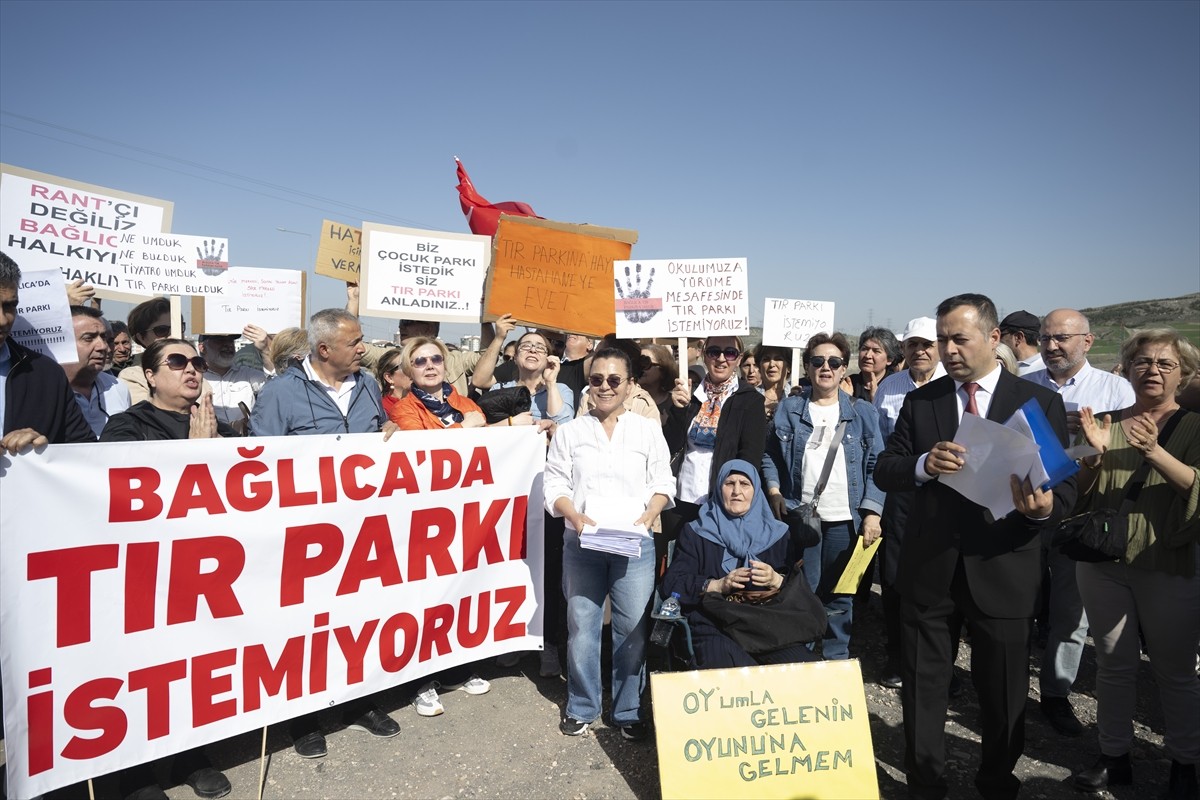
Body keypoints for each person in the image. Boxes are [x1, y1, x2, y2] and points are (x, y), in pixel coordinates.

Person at [874, 293, 1076, 800]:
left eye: (958, 339)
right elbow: (887, 468)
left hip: (1004, 567)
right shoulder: (924, 401)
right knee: (924, 685)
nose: (947, 349)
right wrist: (923, 463)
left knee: (1004, 692)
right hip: (931, 570)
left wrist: (1044, 510)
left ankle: (996, 781)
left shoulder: (1038, 402)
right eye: (942, 339)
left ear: (992, 338)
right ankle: (925, 781)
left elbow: (1063, 488)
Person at [246, 309, 400, 757]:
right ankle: (304, 718)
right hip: (304, 534)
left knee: (355, 619)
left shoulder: (368, 384)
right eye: (354, 342)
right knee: (303, 626)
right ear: (324, 349)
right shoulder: (279, 393)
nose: (363, 349)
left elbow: (377, 434)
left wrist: (387, 430)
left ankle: (358, 700)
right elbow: (261, 464)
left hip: (360, 531)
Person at [99, 338, 234, 800]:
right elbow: (122, 497)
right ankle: (134, 773)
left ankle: (188, 755)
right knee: (143, 672)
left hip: (208, 573)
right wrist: (192, 457)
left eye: (196, 362)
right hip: (147, 573)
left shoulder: (226, 425)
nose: (191, 369)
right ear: (150, 376)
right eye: (176, 362)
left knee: (191, 667)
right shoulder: (126, 427)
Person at [1071, 329, 1199, 798]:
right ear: (1126, 369)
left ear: (1183, 375)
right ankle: (1114, 756)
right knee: (1113, 663)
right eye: (1143, 362)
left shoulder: (1195, 426)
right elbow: (1082, 498)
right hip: (1104, 560)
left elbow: (1196, 488)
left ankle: (1185, 762)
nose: (1153, 371)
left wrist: (1154, 451)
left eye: (1166, 364)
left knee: (1175, 670)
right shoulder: (1105, 422)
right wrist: (1092, 459)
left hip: (1166, 560)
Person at [544, 347, 675, 740]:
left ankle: (628, 709)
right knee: (582, 627)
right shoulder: (570, 432)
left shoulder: (647, 430)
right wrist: (573, 516)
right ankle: (582, 705)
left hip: (633, 544)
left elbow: (662, 482)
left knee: (631, 629)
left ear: (630, 385)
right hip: (582, 543)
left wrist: (649, 517)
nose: (604, 386)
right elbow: (554, 484)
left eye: (614, 380)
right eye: (597, 379)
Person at [1024, 308, 1136, 737]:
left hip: (1085, 513)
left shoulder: (1116, 390)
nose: (1052, 346)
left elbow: (1129, 452)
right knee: (1019, 602)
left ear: (1087, 342)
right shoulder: (1025, 385)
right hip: (1031, 505)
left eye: (1062, 338)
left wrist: (1096, 443)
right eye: (1046, 337)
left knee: (1072, 612)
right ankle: (1011, 686)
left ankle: (1055, 694)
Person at [390, 334, 511, 712]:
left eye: (436, 360)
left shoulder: (464, 403)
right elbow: (421, 452)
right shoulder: (402, 409)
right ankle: (420, 679)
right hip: (422, 516)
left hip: (462, 514)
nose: (429, 366)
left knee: (458, 591)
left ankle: (456, 668)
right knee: (421, 599)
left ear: (445, 365)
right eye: (420, 361)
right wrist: (466, 430)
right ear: (409, 370)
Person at [762, 332, 884, 661]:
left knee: (840, 596)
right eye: (818, 361)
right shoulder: (789, 410)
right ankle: (800, 657)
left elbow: (878, 466)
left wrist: (872, 512)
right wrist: (773, 489)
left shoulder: (863, 414)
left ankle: (835, 660)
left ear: (845, 369)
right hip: (801, 518)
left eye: (834, 362)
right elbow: (769, 455)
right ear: (807, 366)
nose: (825, 368)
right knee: (802, 591)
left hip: (845, 521)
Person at [662, 459, 819, 668]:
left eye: (745, 484)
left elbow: (800, 589)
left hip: (766, 622)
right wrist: (717, 585)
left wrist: (777, 580)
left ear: (756, 491)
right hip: (713, 623)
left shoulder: (779, 534)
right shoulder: (697, 532)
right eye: (729, 484)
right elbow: (672, 584)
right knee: (726, 667)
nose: (737, 491)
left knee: (804, 668)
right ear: (719, 489)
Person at [872, 316, 946, 689]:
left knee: (939, 582)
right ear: (904, 349)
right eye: (913, 345)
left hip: (944, 497)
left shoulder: (953, 387)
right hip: (899, 495)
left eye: (927, 344)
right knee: (895, 579)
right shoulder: (889, 387)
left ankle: (938, 665)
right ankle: (898, 657)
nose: (920, 351)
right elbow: (883, 447)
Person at [0, 253, 95, 453]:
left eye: (9, 306)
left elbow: (85, 454)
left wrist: (45, 453)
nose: (2, 320)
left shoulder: (45, 374)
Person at [64, 306, 131, 437]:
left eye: (104, 338)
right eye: (89, 338)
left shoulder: (118, 387)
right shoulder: (42, 392)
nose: (103, 346)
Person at [490, 330, 574, 426]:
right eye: (526, 346)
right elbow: (484, 430)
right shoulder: (498, 390)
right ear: (515, 357)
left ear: (548, 358)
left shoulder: (561, 390)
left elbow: (564, 429)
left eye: (540, 348)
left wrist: (550, 383)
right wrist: (510, 422)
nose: (533, 350)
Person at [198, 333, 268, 434]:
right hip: (210, 442)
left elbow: (273, 387)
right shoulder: (196, 378)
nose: (228, 345)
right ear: (202, 348)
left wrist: (265, 351)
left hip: (244, 442)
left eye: (231, 341)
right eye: (220, 340)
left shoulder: (247, 374)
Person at [847, 326, 901, 402]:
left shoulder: (896, 387)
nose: (868, 355)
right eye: (864, 349)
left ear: (889, 359)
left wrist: (876, 400)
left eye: (876, 351)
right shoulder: (849, 384)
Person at [639, 343, 678, 425]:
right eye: (637, 363)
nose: (639, 368)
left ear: (663, 370)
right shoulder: (627, 402)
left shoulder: (675, 404)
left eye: (645, 363)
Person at [999, 310, 1044, 375]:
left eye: (1001, 335)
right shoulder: (1004, 366)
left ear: (1018, 337)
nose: (998, 341)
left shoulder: (1047, 371)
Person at [373, 346, 410, 425]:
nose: (412, 370)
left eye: (413, 364)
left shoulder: (425, 400)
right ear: (389, 377)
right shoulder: (382, 410)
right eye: (405, 366)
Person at [755, 343, 792, 418]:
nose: (771, 364)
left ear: (788, 367)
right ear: (759, 366)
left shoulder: (798, 397)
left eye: (778, 359)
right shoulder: (750, 397)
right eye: (766, 359)